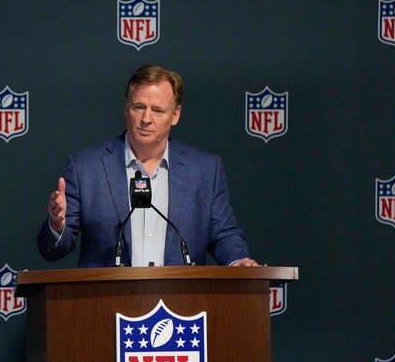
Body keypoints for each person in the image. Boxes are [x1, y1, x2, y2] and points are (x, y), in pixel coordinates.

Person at [37, 64, 258, 268]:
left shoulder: (205, 170)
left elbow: (224, 234)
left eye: (158, 110)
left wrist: (237, 261)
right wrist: (57, 226)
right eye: (139, 107)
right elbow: (53, 249)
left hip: (181, 305)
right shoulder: (86, 168)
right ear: (126, 108)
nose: (146, 118)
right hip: (106, 304)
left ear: (175, 115)